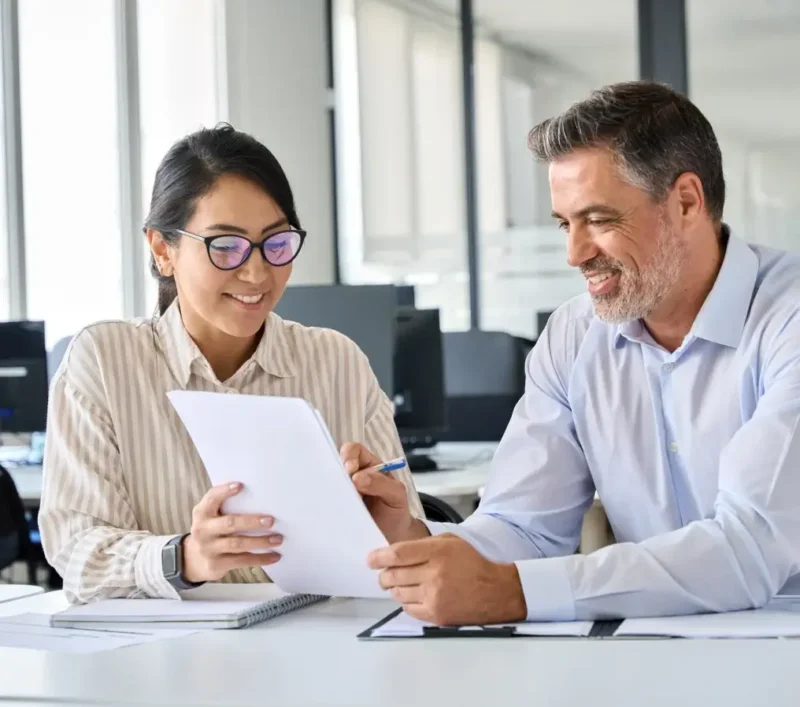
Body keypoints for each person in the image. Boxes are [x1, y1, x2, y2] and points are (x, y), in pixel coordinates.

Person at [344, 80, 800, 625]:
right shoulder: (574, 336)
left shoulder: (787, 320)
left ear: (685, 202)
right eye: (565, 224)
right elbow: (526, 528)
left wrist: (514, 592)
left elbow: (747, 550)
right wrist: (411, 540)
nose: (574, 253)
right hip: (654, 642)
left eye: (600, 220)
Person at [39, 124, 422, 603]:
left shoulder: (336, 360)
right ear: (163, 250)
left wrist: (399, 528)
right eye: (225, 246)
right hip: (169, 661)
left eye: (276, 243)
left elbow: (410, 546)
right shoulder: (104, 360)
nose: (257, 272)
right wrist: (187, 557)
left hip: (323, 648)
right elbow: (78, 553)